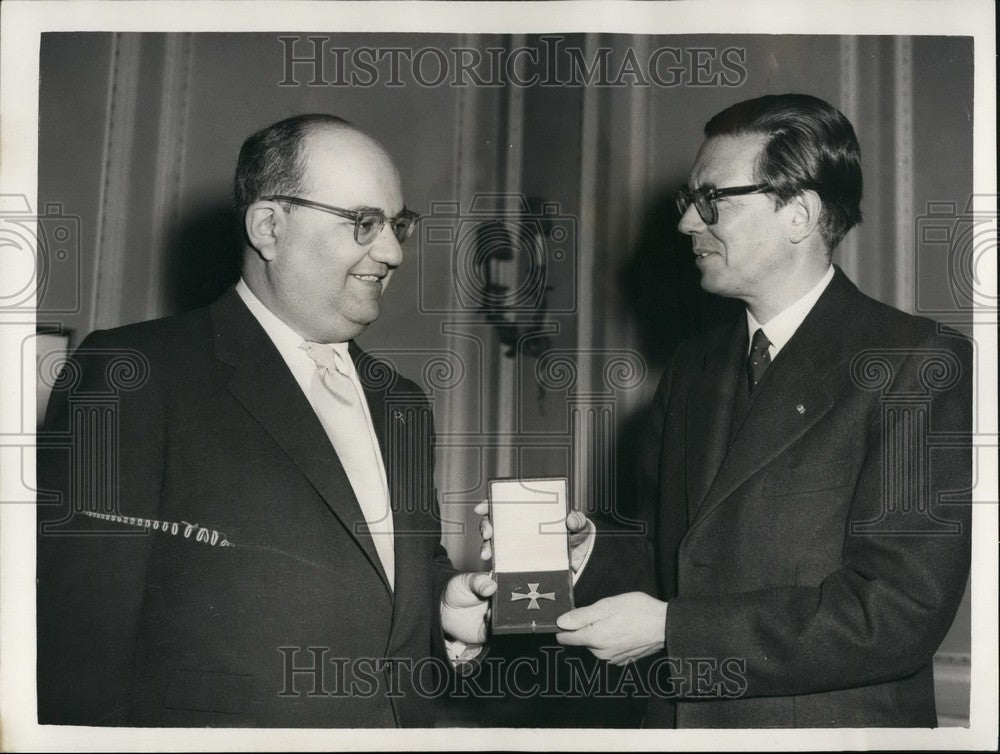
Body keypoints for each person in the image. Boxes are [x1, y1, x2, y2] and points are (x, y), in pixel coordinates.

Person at [36, 114, 496, 727]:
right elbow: (76, 650)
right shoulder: (133, 371)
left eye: (397, 225)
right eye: (363, 223)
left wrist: (444, 608)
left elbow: (387, 577)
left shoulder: (402, 402)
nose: (390, 253)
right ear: (269, 227)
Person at [552, 94, 973, 727]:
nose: (688, 225)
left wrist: (676, 629)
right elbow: (677, 561)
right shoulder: (693, 369)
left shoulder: (913, 362)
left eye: (711, 200)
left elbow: (897, 612)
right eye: (687, 202)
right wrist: (587, 554)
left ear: (799, 214)